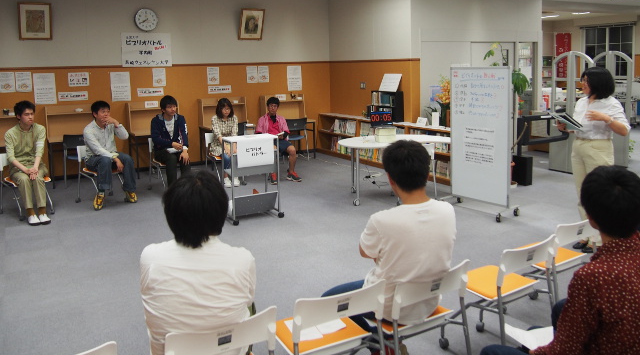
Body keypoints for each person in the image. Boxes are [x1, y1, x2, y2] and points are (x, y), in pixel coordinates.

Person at [479, 165, 640, 355]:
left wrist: (536, 352)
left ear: (590, 218)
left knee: (492, 351)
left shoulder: (593, 277)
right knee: (559, 309)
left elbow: (564, 351)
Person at [322, 140, 456, 338]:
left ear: (390, 179)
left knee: (328, 300)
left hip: (389, 307)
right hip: (428, 300)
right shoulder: (448, 210)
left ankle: (377, 339)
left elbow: (365, 252)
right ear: (427, 174)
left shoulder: (381, 220)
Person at [140, 171, 256, 355]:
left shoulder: (149, 257)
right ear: (221, 213)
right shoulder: (243, 259)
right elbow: (247, 300)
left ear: (170, 215)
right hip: (229, 350)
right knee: (249, 304)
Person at [556, 66, 630, 252]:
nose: (583, 84)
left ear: (598, 83)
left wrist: (606, 118)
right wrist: (565, 127)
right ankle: (585, 234)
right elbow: (578, 126)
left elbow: (624, 130)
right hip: (579, 146)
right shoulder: (581, 102)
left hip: (598, 147)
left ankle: (598, 238)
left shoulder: (611, 103)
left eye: (586, 81)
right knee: (582, 193)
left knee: (600, 194)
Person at [83, 100, 137, 210]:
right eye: (103, 112)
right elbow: (97, 150)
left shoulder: (110, 125)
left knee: (127, 159)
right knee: (104, 160)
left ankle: (129, 189)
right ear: (95, 114)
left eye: (108, 111)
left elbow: (125, 136)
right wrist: (115, 159)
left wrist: (116, 123)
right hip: (93, 159)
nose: (106, 114)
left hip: (112, 155)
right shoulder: (89, 130)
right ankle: (101, 193)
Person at [4, 100, 50, 226]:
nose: (30, 117)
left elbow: (39, 151)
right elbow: (11, 157)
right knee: (24, 179)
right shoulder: (10, 134)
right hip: (18, 168)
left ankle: (42, 211)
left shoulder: (40, 129)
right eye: (26, 114)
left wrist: (34, 168)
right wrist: (26, 170)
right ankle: (30, 212)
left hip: (36, 164)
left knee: (38, 177)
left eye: (32, 114)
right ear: (18, 116)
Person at [255, 96, 301, 184]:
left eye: (275, 106)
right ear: (268, 107)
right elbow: (258, 133)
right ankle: (273, 173)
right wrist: (267, 137)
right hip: (267, 141)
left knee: (292, 150)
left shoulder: (281, 119)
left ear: (277, 107)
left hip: (280, 139)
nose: (273, 108)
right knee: (273, 149)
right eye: (271, 106)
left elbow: (286, 131)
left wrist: (282, 136)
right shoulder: (262, 119)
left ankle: (291, 172)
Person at [150, 95, 191, 187]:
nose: (173, 109)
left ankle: (188, 187)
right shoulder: (156, 121)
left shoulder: (180, 118)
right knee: (171, 158)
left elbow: (184, 134)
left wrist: (185, 150)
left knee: (185, 157)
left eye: (174, 106)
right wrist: (171, 143)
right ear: (163, 110)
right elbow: (156, 139)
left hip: (177, 149)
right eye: (169, 107)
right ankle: (173, 189)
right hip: (161, 150)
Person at [210, 97, 239, 188]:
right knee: (226, 156)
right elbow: (218, 135)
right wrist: (226, 148)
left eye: (228, 108)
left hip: (231, 142)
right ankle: (226, 176)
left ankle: (235, 175)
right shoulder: (214, 119)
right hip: (218, 144)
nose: (226, 111)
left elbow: (234, 134)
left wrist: (233, 147)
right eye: (224, 109)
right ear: (219, 109)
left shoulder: (234, 118)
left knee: (237, 153)